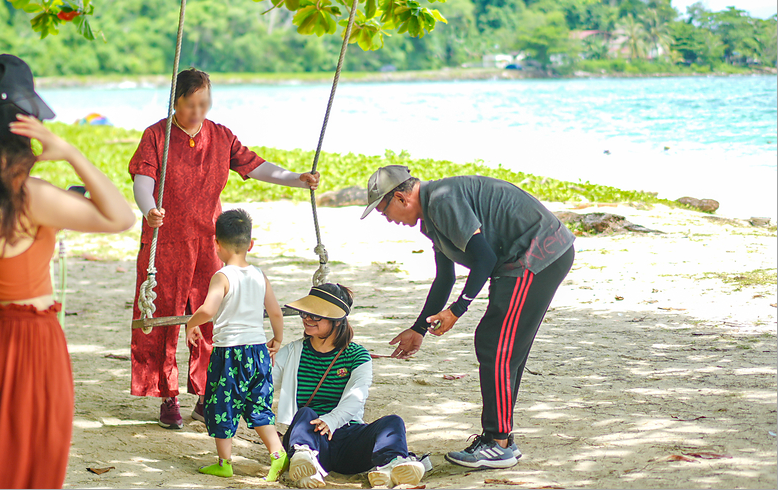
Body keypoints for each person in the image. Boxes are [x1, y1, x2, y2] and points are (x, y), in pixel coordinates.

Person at [0, 54, 136, 488]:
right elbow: (120, 217)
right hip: (29, 346)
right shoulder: (29, 197)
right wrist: (71, 153)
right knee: (23, 467)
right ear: (19, 124)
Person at [128, 67, 320, 429]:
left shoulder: (220, 135)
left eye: (204, 104)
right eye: (189, 105)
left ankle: (205, 394)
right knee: (164, 317)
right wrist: (148, 208)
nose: (197, 112)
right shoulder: (157, 135)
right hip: (165, 239)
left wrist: (297, 179)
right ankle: (167, 396)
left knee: (212, 315)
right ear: (176, 101)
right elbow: (144, 180)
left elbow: (256, 165)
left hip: (209, 242)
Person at [361, 165, 576, 469]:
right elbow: (444, 278)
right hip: (529, 256)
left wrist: (456, 310)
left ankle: (498, 442)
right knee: (502, 346)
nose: (389, 220)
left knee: (495, 344)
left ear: (400, 198)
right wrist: (418, 329)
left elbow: (484, 258)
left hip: (535, 253)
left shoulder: (441, 200)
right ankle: (500, 439)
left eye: (384, 212)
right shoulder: (432, 215)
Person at [273, 284, 428, 489]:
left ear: (337, 321)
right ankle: (305, 462)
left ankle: (391, 465)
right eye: (304, 313)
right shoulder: (293, 351)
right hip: (311, 437)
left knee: (392, 422)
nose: (307, 319)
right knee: (306, 413)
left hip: (348, 437)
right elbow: (262, 386)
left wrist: (332, 419)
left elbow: (357, 396)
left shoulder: (358, 356)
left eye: (316, 316)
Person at [184, 209, 287, 480]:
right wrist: (278, 337)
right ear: (250, 244)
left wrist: (190, 324)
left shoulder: (222, 276)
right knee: (258, 404)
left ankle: (224, 462)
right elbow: (275, 312)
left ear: (216, 244)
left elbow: (207, 310)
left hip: (229, 353)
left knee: (221, 405)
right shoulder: (259, 275)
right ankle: (277, 453)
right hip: (257, 352)